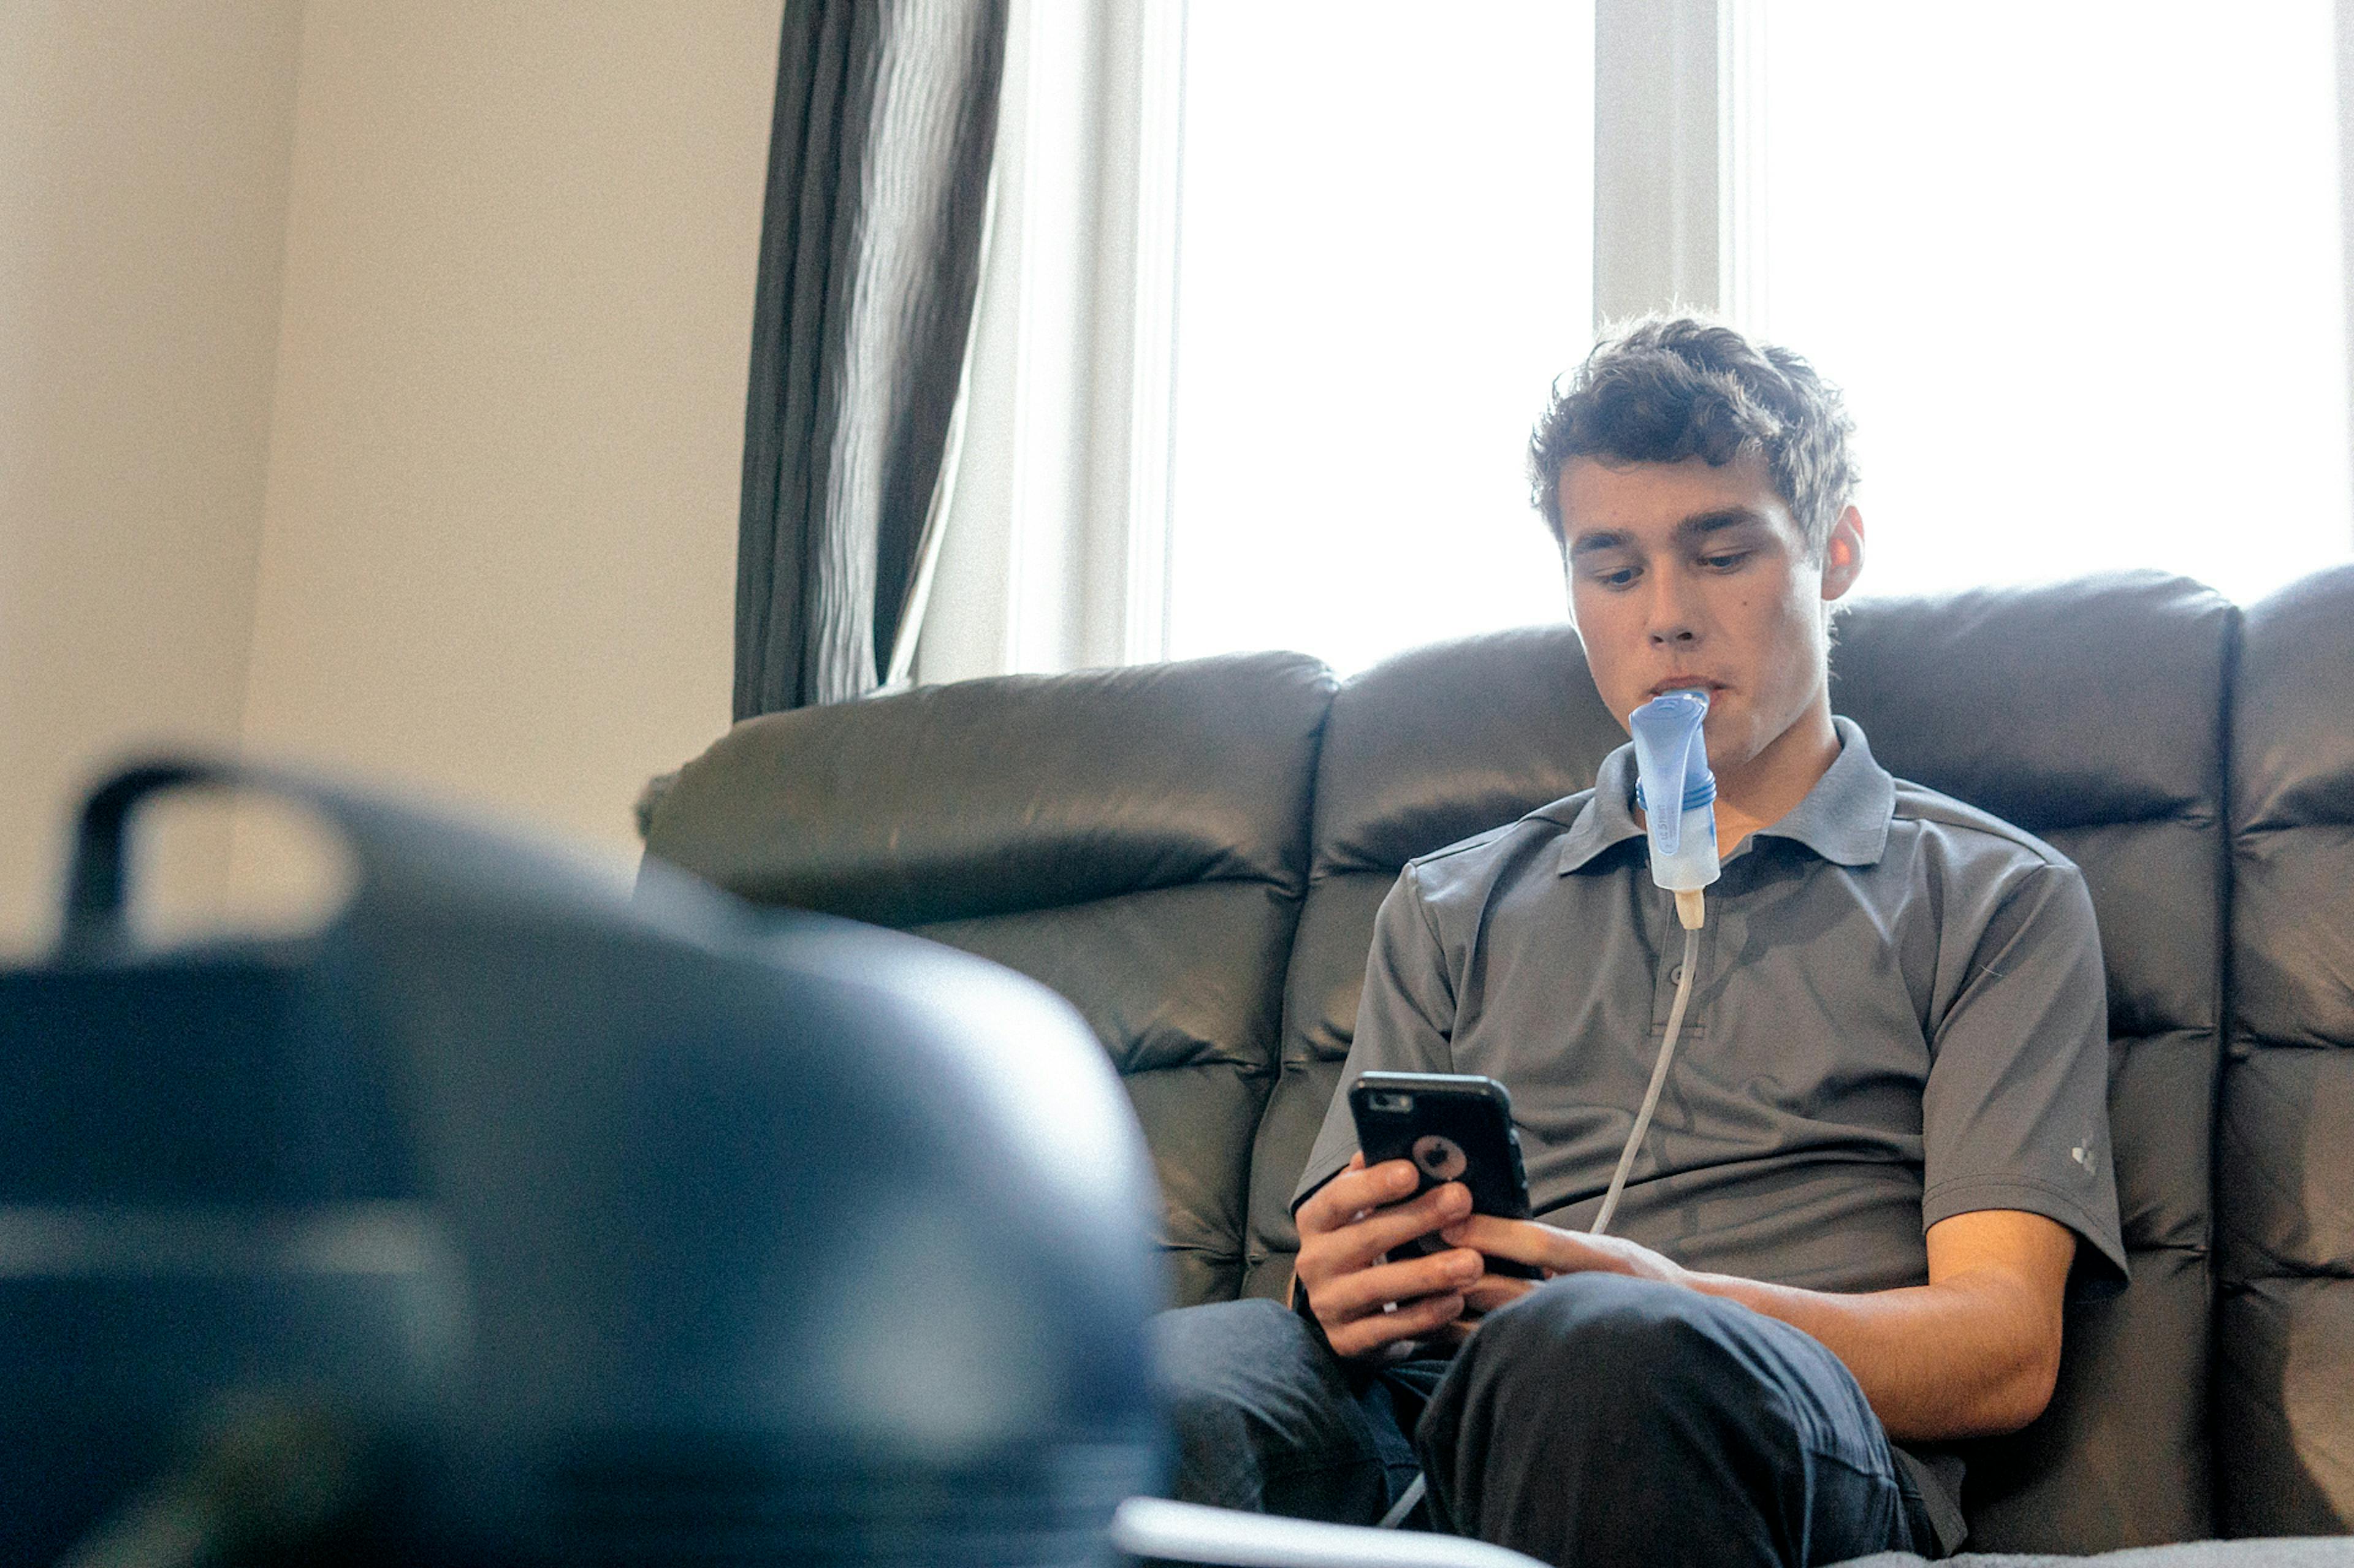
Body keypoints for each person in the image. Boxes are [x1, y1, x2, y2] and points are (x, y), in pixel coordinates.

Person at [1152, 316, 2127, 1567]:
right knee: (1156, 1382)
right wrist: (1334, 1283)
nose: (1664, 620)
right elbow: (1336, 1275)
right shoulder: (1452, 905)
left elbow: (2003, 1349)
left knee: (1606, 1358)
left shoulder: (1994, 896)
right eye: (1612, 572)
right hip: (1428, 1405)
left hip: (1766, 1410)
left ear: (1835, 554)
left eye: (1720, 555)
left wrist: (1675, 1300)